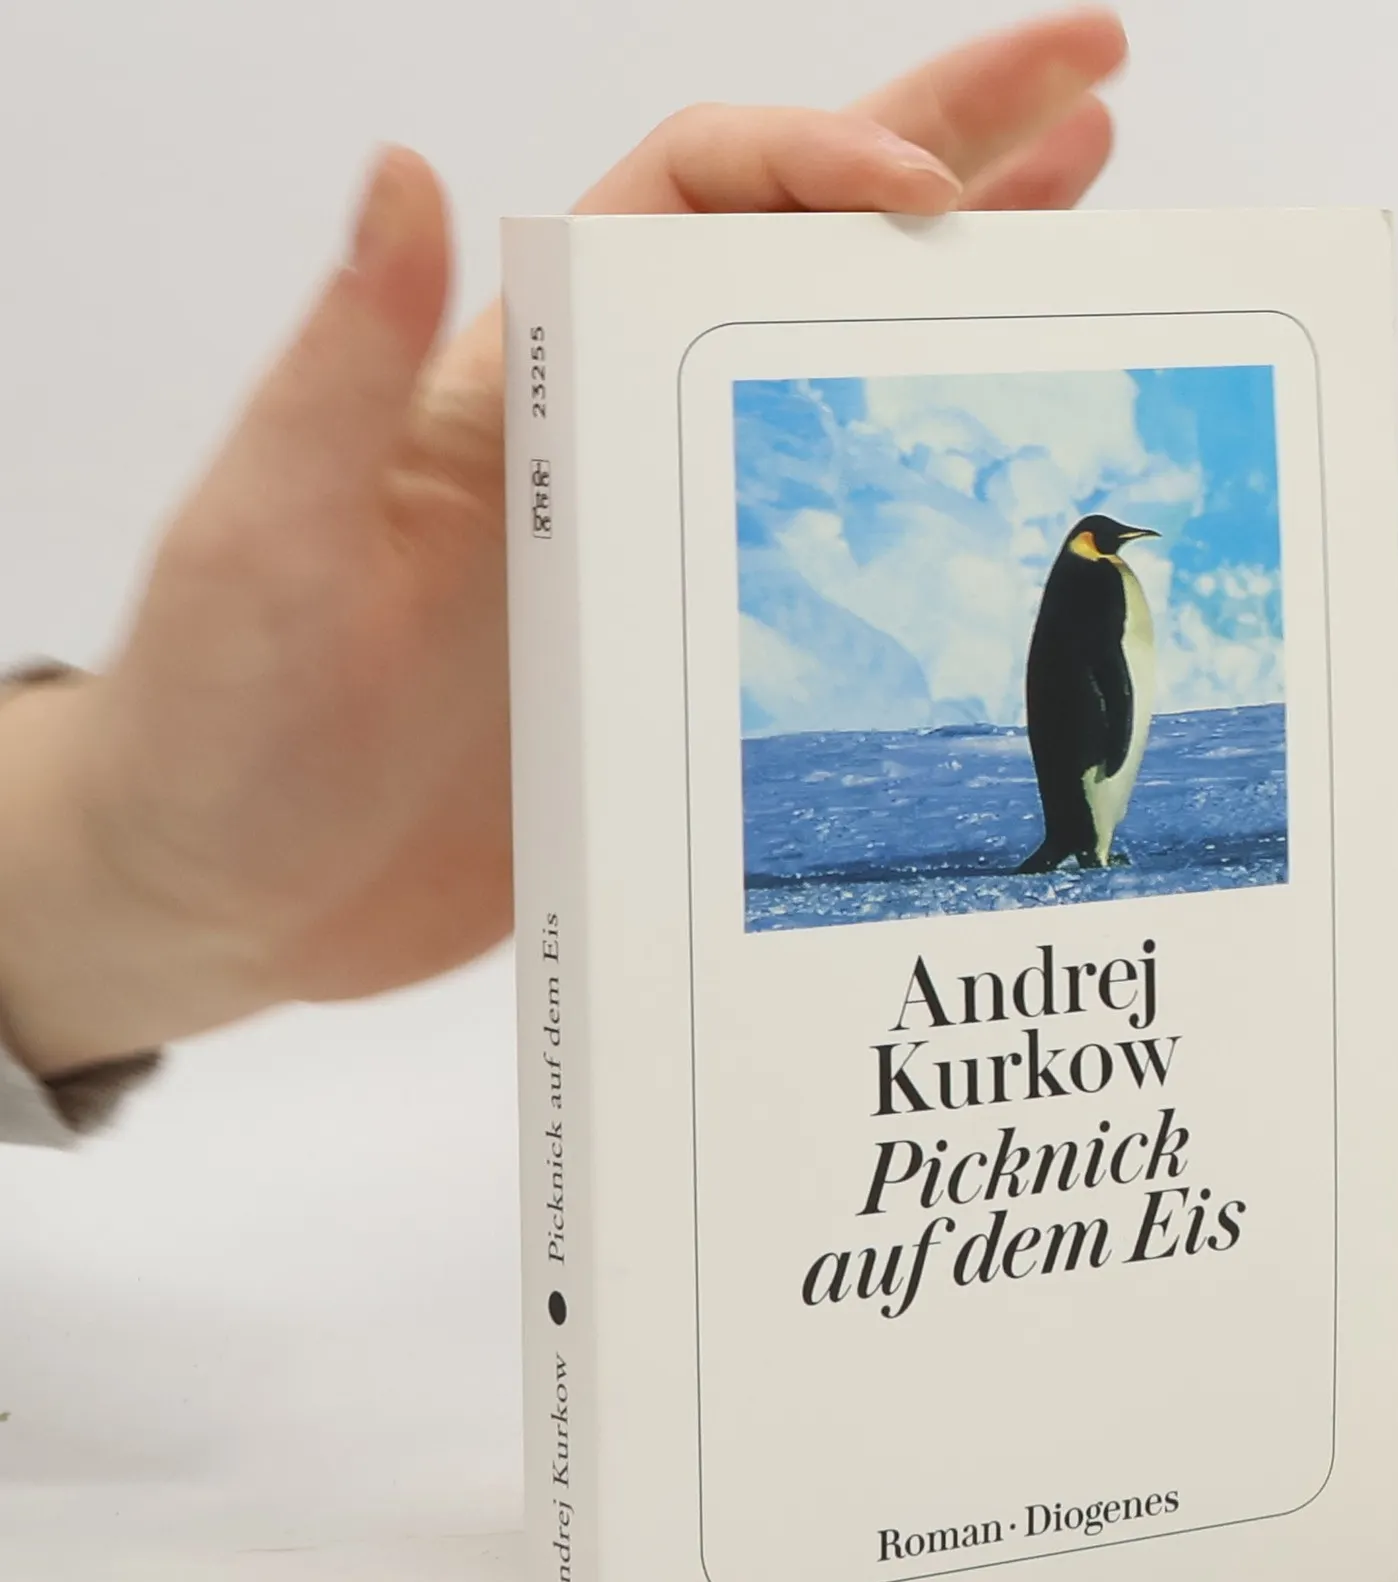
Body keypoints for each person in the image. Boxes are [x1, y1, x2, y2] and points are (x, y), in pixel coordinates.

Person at [0, 8, 1129, 1147]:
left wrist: (107, 881)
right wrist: (118, 866)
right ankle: (1079, 834)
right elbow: (1096, 681)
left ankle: (1076, 833)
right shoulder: (1081, 592)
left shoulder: (1061, 586)